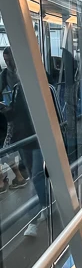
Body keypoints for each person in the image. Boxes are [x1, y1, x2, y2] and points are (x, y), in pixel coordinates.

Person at [0, 47, 29, 193]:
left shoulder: (24, 71)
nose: (7, 62)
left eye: (9, 59)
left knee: (16, 144)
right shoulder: (5, 74)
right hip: (15, 114)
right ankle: (22, 172)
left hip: (28, 113)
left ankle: (23, 172)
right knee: (16, 143)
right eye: (5, 60)